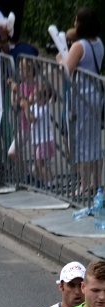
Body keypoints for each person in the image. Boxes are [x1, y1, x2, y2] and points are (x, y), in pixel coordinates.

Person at [60, 7, 103, 199]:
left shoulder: (79, 46)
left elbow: (66, 71)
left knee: (80, 140)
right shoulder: (99, 43)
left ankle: (85, 185)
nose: (74, 23)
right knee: (94, 140)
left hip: (81, 96)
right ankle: (96, 183)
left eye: (76, 20)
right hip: (95, 95)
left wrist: (60, 59)